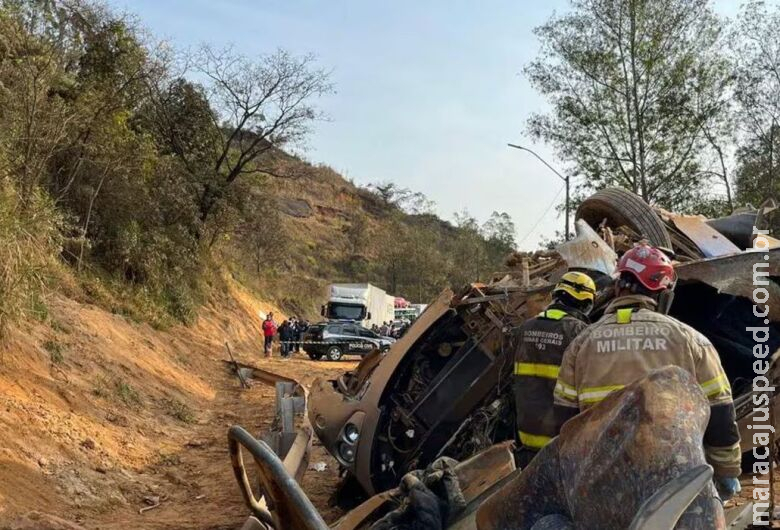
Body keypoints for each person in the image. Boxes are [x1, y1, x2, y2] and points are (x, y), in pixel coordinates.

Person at [554, 243, 742, 500]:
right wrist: (726, 471)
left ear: (618, 287)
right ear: (663, 293)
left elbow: (564, 424)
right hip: (674, 481)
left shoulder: (580, 345)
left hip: (602, 483)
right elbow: (720, 413)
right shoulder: (691, 341)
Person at [511, 270, 595, 467]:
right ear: (584, 303)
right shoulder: (579, 332)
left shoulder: (525, 328)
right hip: (558, 440)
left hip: (525, 436)